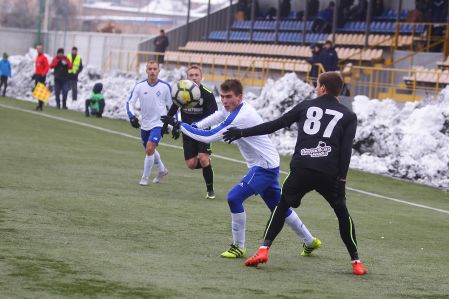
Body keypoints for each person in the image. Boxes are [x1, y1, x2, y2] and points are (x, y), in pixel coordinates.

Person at [223, 72, 367, 275]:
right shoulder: (349, 115)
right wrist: (342, 179)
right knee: (342, 214)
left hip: (302, 168)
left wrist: (243, 132)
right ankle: (356, 262)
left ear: (323, 88)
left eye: (317, 85)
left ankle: (263, 249)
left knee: (281, 207)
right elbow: (345, 151)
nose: (316, 88)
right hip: (328, 172)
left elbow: (276, 124)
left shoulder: (306, 106)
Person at [162, 79, 321, 260]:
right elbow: (216, 116)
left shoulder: (241, 116)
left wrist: (180, 125)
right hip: (266, 163)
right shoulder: (232, 109)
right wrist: (193, 126)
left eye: (229, 97)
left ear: (240, 97)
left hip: (264, 166)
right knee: (278, 207)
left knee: (234, 198)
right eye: (222, 96)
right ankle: (310, 241)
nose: (224, 100)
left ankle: (239, 247)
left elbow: (209, 137)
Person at [162, 65, 218, 199]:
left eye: (196, 75)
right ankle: (207, 166)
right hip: (187, 131)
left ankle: (210, 190)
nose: (194, 77)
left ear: (201, 77)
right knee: (191, 164)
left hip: (203, 133)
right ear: (187, 77)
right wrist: (167, 126)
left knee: (203, 158)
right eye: (191, 75)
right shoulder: (182, 91)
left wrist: (205, 127)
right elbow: (173, 110)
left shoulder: (207, 94)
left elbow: (215, 115)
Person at [125, 61, 171, 186]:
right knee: (149, 149)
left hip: (159, 124)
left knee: (150, 148)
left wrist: (173, 123)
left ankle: (144, 179)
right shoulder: (139, 86)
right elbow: (129, 102)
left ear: (158, 71)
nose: (152, 71)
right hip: (145, 124)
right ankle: (161, 170)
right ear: (146, 71)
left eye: (154, 69)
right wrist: (132, 116)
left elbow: (172, 107)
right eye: (149, 69)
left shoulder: (165, 87)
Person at [33, 44, 49, 111]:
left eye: (40, 49)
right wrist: (34, 74)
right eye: (38, 49)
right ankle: (39, 105)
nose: (38, 50)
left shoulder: (44, 57)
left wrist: (43, 73)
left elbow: (47, 66)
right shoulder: (37, 57)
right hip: (37, 75)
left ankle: (41, 106)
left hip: (41, 76)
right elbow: (37, 67)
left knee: (41, 90)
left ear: (42, 50)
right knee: (38, 91)